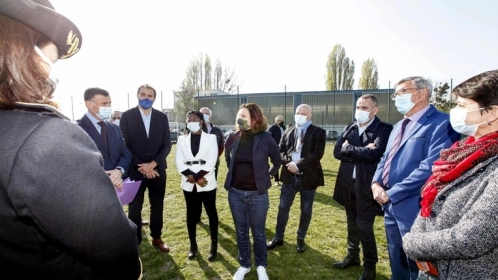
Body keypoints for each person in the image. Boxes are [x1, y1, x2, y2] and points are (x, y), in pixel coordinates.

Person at [0, 0, 141, 278]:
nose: (48, 70)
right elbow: (113, 244)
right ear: (19, 48)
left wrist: (119, 171)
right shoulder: (47, 137)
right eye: (48, 57)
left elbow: (124, 152)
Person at [402, 70, 498, 279]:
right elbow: (432, 202)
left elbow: (473, 238)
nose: (455, 111)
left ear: (491, 113)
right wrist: (419, 240)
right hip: (432, 268)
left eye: (462, 106)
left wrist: (412, 243)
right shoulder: (462, 151)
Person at [370, 76, 460, 279]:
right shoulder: (397, 126)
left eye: (403, 91)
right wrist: (376, 182)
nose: (397, 97)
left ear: (422, 93)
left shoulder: (443, 123)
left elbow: (430, 166)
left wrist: (392, 193)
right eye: (396, 93)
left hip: (415, 207)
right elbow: (386, 158)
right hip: (390, 206)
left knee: (417, 266)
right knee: (396, 260)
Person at [332, 94, 393, 280]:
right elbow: (336, 152)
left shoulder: (384, 129)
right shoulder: (350, 127)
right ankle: (352, 256)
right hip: (347, 185)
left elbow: (375, 155)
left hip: (367, 187)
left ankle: (370, 265)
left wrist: (348, 149)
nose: (360, 110)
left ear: (375, 110)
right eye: (358, 107)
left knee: (364, 226)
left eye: (365, 108)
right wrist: (363, 150)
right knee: (351, 223)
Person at [224, 103, 281, 280]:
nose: (239, 119)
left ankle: (261, 266)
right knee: (241, 232)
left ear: (254, 119)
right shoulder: (232, 137)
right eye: (238, 116)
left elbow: (277, 161)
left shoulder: (265, 137)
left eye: (244, 116)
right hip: (236, 194)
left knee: (258, 233)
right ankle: (244, 265)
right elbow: (228, 160)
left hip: (258, 195)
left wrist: (269, 174)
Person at [267, 104, 326, 254]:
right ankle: (278, 237)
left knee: (306, 210)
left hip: (308, 178)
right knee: (282, 208)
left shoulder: (318, 132)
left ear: (310, 115)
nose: (299, 115)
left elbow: (317, 154)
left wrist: (298, 165)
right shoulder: (288, 131)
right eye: (297, 113)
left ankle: (300, 238)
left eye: (303, 113)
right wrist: (289, 164)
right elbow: (279, 151)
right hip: (289, 177)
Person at [120, 84, 172, 252]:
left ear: (154, 98)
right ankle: (135, 242)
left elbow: (166, 145)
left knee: (157, 205)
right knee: (135, 208)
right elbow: (124, 145)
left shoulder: (162, 118)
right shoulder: (127, 117)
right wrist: (141, 166)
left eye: (150, 95)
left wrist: (153, 164)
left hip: (157, 171)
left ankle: (156, 237)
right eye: (143, 94)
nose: (146, 98)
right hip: (135, 171)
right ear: (137, 95)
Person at [176, 110, 219, 261]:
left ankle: (214, 245)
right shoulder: (181, 139)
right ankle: (192, 245)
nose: (191, 122)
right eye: (189, 120)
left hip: (206, 182)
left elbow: (211, 161)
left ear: (201, 121)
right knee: (191, 214)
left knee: (211, 212)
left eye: (195, 119)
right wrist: (192, 178)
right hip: (189, 184)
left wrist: (199, 177)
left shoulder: (211, 138)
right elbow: (179, 162)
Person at [77, 88, 131, 190]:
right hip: (90, 192)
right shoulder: (77, 129)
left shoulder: (114, 128)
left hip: (117, 191)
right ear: (89, 104)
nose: (108, 107)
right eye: (104, 104)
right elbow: (76, 163)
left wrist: (119, 171)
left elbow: (125, 153)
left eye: (109, 103)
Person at [268, 115, 285, 186]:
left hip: (284, 148)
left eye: (281, 120)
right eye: (278, 120)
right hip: (275, 148)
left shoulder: (283, 127)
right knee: (276, 164)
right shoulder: (272, 128)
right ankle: (276, 180)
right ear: (275, 121)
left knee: (285, 163)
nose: (279, 122)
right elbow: (268, 138)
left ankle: (285, 180)